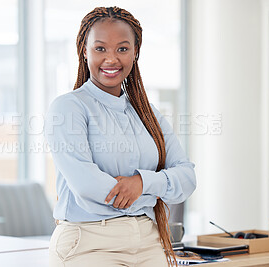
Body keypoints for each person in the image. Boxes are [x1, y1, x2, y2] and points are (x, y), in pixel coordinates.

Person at [44, 6, 196, 267]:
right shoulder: (69, 107)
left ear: (135, 53)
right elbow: (87, 186)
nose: (111, 59)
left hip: (149, 242)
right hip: (89, 244)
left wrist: (141, 183)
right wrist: (158, 189)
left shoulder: (148, 115)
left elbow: (187, 178)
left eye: (122, 49)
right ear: (84, 50)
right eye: (100, 48)